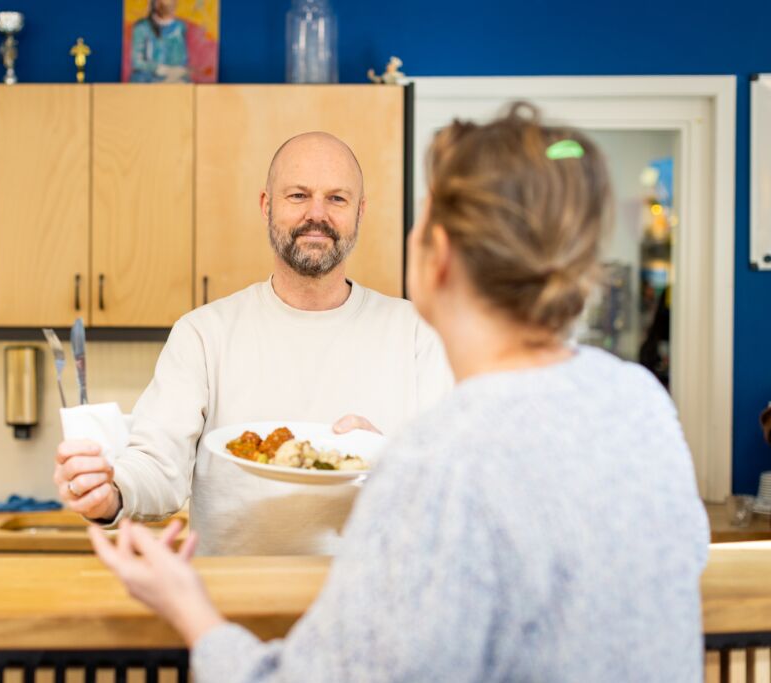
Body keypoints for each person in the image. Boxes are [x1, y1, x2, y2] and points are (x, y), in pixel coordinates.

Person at [88, 104, 711, 681]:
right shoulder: (642, 403)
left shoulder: (435, 461)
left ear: (436, 256)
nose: (319, 211)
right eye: (299, 194)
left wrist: (188, 606)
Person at [55, 131, 454, 556]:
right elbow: (157, 467)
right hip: (232, 601)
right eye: (298, 195)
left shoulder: (418, 334)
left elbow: (451, 485)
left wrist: (388, 461)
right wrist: (110, 492)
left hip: (372, 599)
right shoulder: (204, 334)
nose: (316, 214)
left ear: (360, 211)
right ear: (267, 205)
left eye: (337, 199)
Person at [129, 0, 190, 83]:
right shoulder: (142, 27)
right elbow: (137, 62)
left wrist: (176, 71)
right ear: (155, 4)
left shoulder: (179, 27)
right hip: (145, 80)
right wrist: (158, 68)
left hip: (172, 80)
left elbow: (181, 59)